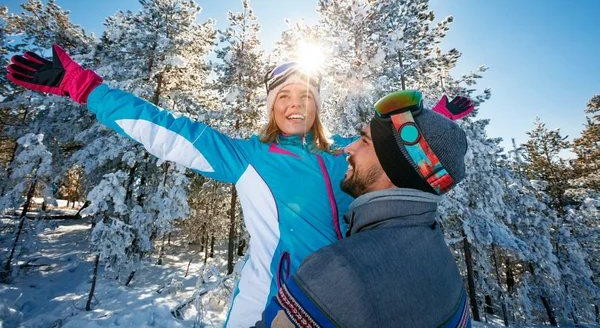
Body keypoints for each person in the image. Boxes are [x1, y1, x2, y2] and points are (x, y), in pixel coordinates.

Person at [6, 45, 356, 327]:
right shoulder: (247, 157)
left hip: (346, 305)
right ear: (271, 107)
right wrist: (86, 89)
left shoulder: (349, 152)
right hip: (270, 306)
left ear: (317, 106)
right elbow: (165, 128)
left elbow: (403, 155)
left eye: (306, 95)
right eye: (284, 95)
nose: (295, 103)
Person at [256, 90, 473, 328]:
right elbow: (414, 160)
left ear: (394, 168)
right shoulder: (445, 267)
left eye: (365, 141)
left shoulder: (340, 272)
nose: (348, 147)